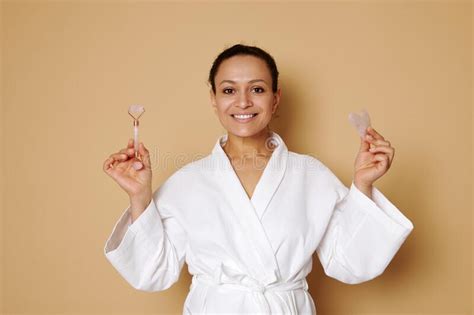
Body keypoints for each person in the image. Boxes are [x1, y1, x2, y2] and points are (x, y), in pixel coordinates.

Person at [102, 44, 414, 314]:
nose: (243, 102)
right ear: (213, 99)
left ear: (276, 99)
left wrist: (362, 184)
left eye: (257, 89)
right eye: (228, 90)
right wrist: (139, 197)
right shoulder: (188, 182)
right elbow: (151, 272)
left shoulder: (312, 175)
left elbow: (351, 262)